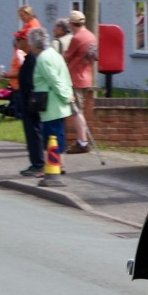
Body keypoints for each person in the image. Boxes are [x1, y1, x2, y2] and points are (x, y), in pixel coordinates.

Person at [28, 27, 73, 175]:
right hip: (57, 102)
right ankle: (60, 164)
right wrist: (68, 93)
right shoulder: (54, 54)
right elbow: (65, 76)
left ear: (35, 45)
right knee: (57, 134)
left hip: (51, 102)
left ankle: (53, 166)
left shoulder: (43, 58)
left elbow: (54, 80)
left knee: (51, 136)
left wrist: (65, 95)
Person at [63, 10, 95, 153]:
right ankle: (82, 140)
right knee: (78, 109)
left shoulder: (77, 38)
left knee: (76, 111)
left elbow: (67, 56)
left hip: (75, 77)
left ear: (71, 24)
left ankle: (82, 142)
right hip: (87, 76)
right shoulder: (91, 36)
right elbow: (93, 57)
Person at [14, 30, 45, 177]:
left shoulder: (32, 58)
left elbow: (30, 81)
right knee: (32, 133)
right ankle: (35, 163)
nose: (16, 43)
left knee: (34, 133)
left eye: (19, 39)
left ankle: (38, 164)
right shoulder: (29, 57)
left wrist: (29, 100)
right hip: (27, 101)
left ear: (27, 41)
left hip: (31, 102)